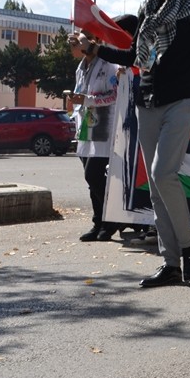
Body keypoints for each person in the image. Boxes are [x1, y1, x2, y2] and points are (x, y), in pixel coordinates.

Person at [94, 0, 190, 288]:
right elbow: (137, 56)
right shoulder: (149, 5)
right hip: (147, 99)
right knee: (157, 186)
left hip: (181, 99)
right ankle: (171, 264)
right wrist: (96, 49)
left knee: (165, 173)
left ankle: (189, 245)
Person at [69, 28, 124, 242]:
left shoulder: (109, 66)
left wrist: (88, 100)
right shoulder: (81, 67)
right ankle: (99, 221)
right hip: (85, 125)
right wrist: (76, 101)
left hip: (104, 125)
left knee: (93, 174)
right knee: (92, 180)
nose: (78, 44)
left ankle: (111, 220)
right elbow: (80, 91)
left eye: (83, 40)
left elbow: (115, 94)